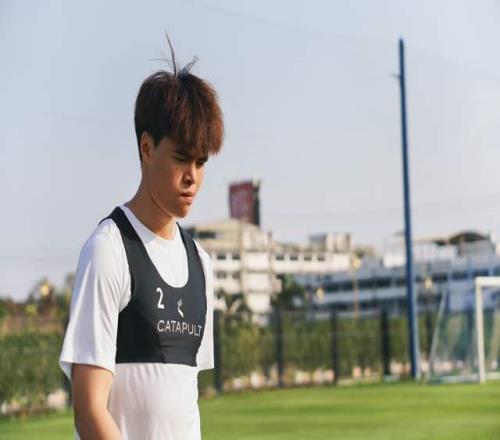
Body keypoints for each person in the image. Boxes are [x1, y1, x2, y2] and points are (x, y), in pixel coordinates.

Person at [59, 36, 224, 440]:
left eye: (201, 162)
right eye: (181, 158)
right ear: (146, 148)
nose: (192, 177)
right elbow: (89, 410)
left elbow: (182, 406)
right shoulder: (109, 251)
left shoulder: (201, 264)